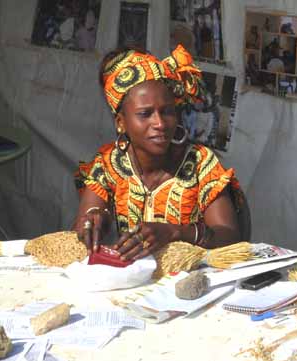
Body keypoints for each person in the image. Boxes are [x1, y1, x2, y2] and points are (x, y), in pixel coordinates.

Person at [74, 46, 245, 260]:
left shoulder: (201, 164)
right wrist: (98, 219)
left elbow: (230, 237)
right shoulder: (109, 165)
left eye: (167, 111)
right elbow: (83, 229)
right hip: (135, 284)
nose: (160, 123)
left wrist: (175, 232)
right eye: (145, 114)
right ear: (121, 123)